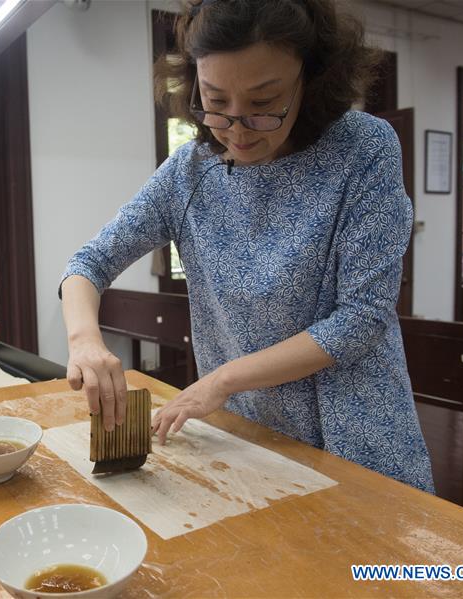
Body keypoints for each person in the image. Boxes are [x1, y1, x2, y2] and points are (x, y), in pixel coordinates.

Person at [59, 0, 434, 492]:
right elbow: (89, 263)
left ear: (312, 78)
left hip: (356, 439)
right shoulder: (190, 173)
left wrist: (219, 381)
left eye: (263, 104)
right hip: (250, 438)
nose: (235, 128)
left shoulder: (363, 149)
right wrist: (84, 339)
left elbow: (361, 318)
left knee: (375, 571)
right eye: (215, 102)